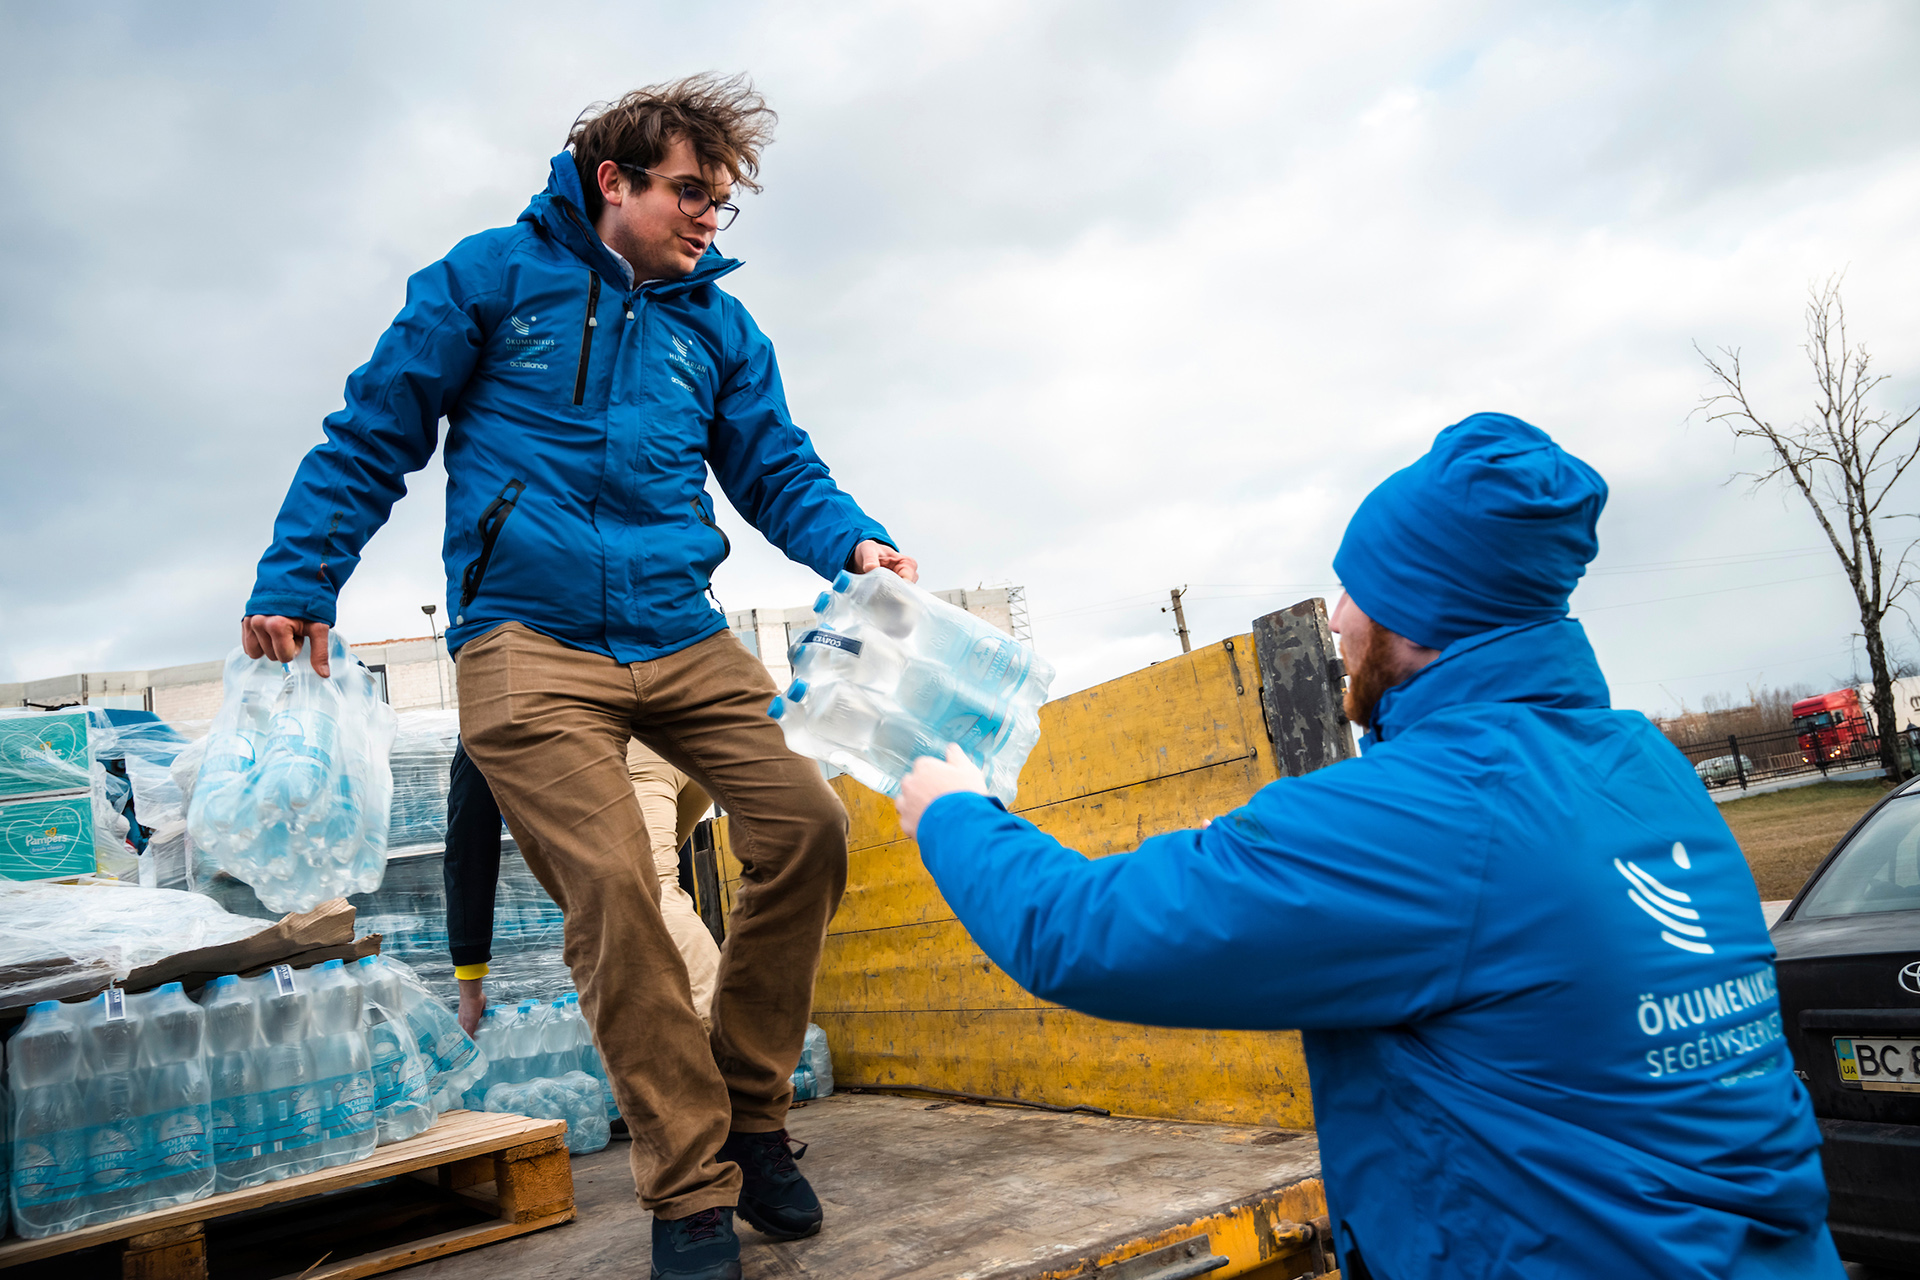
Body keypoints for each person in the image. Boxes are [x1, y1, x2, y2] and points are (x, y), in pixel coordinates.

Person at [895, 413, 1841, 1280]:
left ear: (1423, 611)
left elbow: (1089, 935)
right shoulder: (1648, 768)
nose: (1339, 614)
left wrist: (953, 812)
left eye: (1361, 588)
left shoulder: (1427, 815)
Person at [239, 75, 916, 1280]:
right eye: (692, 192)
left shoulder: (716, 326)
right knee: (615, 889)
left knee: (806, 827)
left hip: (678, 626)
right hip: (525, 642)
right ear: (616, 180)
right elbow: (374, 427)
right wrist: (302, 576)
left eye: (724, 200)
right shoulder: (492, 277)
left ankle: (752, 1112)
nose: (712, 218)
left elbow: (777, 463)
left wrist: (852, 539)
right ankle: (693, 1190)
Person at [446, 737, 718, 1037]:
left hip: (631, 750)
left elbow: (469, 851)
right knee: (644, 892)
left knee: (647, 895)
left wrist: (470, 987)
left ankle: (726, 1052)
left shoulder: (487, 721)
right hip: (686, 744)